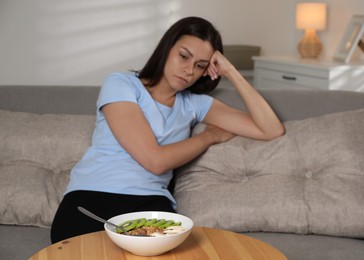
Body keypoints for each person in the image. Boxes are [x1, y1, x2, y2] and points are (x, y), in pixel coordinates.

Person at [50, 16, 285, 243]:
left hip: (151, 206)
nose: (188, 70)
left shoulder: (195, 104)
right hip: (92, 196)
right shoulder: (121, 84)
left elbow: (271, 130)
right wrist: (209, 137)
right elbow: (155, 160)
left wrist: (231, 71)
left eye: (200, 65)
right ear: (167, 48)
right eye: (183, 56)